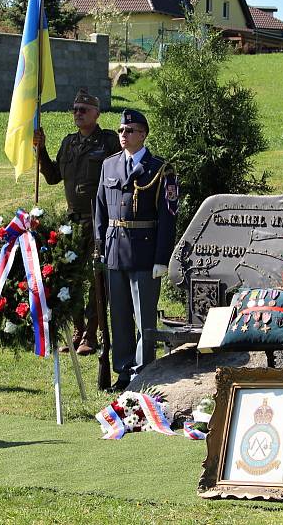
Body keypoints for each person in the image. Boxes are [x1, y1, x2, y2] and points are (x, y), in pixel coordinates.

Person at [94, 109, 178, 391]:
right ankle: (123, 370)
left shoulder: (160, 169)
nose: (123, 135)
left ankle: (143, 371)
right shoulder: (109, 166)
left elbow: (168, 217)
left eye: (129, 131)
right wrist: (100, 247)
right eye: (120, 131)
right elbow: (100, 210)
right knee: (119, 316)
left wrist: (161, 258)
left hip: (145, 253)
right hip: (115, 250)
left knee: (144, 318)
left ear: (143, 134)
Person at [33, 88, 121, 355]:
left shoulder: (107, 142)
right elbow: (52, 177)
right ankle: (78, 329)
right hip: (72, 222)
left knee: (96, 280)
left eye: (83, 109)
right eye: (74, 109)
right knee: (69, 279)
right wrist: (41, 150)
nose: (78, 114)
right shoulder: (69, 143)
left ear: (97, 113)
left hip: (99, 221)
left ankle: (92, 335)